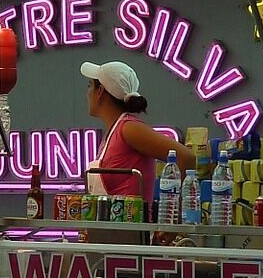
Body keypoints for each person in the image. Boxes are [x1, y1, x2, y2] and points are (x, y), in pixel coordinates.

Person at [80, 60, 193, 202]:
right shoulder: (112, 132)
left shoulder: (129, 128)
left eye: (90, 85)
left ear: (100, 92)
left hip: (132, 221)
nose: (87, 93)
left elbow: (186, 157)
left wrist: (174, 213)